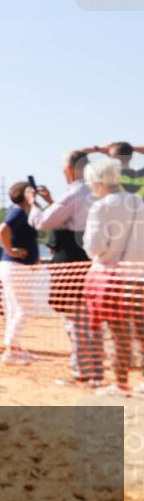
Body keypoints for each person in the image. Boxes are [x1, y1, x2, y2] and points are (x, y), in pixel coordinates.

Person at [28, 149, 100, 387]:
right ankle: (94, 370)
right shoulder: (98, 191)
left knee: (75, 322)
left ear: (68, 170)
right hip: (95, 262)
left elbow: (42, 223)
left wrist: (32, 204)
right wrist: (49, 202)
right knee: (92, 321)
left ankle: (82, 372)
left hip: (71, 265)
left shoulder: (74, 193)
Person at [83, 158, 144, 396]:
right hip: (140, 275)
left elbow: (95, 246)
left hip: (112, 277)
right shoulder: (139, 201)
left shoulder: (101, 206)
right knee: (141, 329)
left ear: (98, 182)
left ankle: (120, 382)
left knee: (117, 332)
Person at [0, 181, 41, 366]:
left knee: (15, 309)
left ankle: (13, 349)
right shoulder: (20, 211)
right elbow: (3, 229)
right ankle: (11, 347)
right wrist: (11, 250)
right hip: (16, 266)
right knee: (26, 308)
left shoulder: (23, 212)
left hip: (13, 266)